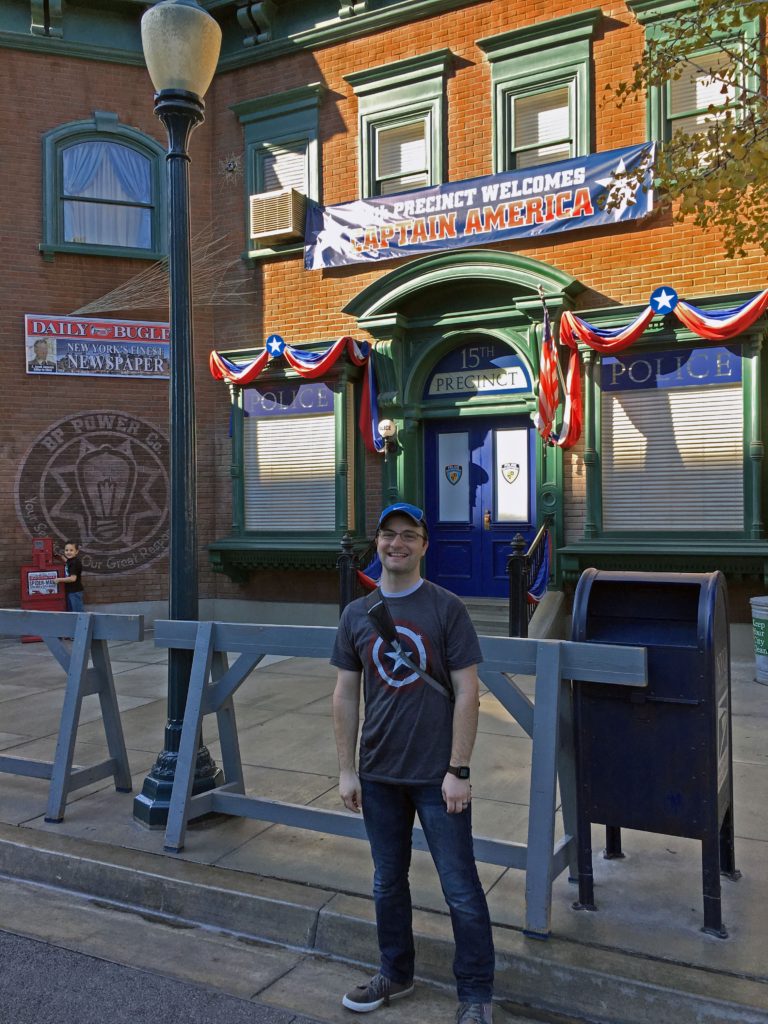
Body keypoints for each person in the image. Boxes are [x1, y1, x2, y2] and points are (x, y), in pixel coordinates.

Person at [331, 502, 494, 1024]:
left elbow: (468, 692)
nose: (396, 544)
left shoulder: (447, 609)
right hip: (379, 773)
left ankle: (475, 994)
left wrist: (459, 768)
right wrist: (346, 768)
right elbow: (344, 694)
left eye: (408, 536)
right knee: (387, 881)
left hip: (436, 776)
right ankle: (395, 972)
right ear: (376, 544)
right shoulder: (357, 614)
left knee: (461, 888)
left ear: (425, 545)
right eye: (387, 535)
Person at [56, 542, 84, 612]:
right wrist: (61, 557)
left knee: (78, 613)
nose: (68, 552)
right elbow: (68, 563)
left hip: (75, 592)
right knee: (72, 613)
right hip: (71, 591)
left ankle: (83, 623)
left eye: (71, 550)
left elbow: (73, 578)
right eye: (66, 550)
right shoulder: (71, 561)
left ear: (76, 552)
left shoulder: (74, 563)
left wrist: (59, 579)